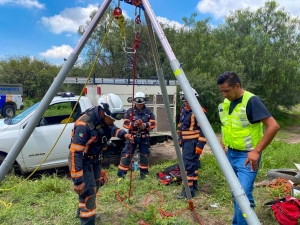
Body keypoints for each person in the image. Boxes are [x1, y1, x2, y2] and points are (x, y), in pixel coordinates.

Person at [217, 71, 280, 225]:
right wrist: (223, 142)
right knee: (236, 193)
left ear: (237, 86)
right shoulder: (226, 103)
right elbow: (228, 125)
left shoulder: (252, 101)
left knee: (242, 195)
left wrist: (257, 151)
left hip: (247, 158)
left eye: (227, 91)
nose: (224, 95)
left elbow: (273, 126)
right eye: (221, 91)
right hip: (230, 154)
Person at [68, 93, 132, 225]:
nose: (113, 121)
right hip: (82, 160)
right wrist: (78, 180)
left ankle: (82, 211)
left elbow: (111, 128)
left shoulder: (104, 120)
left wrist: (123, 134)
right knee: (89, 192)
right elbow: (75, 153)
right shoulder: (84, 124)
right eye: (112, 118)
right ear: (103, 112)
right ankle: (87, 220)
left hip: (95, 160)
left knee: (95, 187)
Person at [117, 91, 156, 180]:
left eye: (141, 103)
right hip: (132, 137)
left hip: (144, 138)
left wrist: (145, 125)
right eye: (138, 103)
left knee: (144, 156)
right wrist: (133, 124)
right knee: (126, 155)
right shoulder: (130, 111)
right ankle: (120, 176)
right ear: (134, 102)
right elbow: (125, 123)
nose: (139, 105)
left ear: (144, 102)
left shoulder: (149, 112)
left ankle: (144, 176)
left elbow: (153, 123)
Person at [177, 88, 207, 199]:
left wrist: (200, 145)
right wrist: (180, 138)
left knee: (188, 165)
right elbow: (181, 126)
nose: (186, 103)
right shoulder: (184, 110)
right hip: (186, 142)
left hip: (193, 143)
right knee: (192, 165)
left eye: (187, 100)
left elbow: (205, 130)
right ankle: (193, 186)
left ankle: (187, 191)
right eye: (185, 101)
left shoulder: (199, 111)